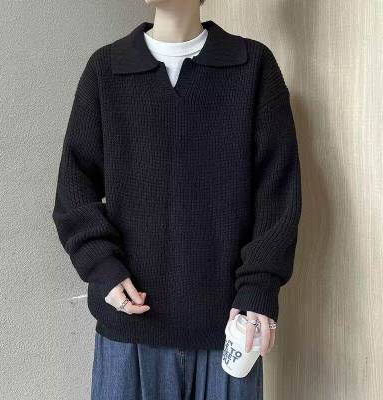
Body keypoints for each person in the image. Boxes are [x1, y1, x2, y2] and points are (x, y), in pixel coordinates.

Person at [52, 0, 302, 398]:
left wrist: (260, 286)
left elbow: (277, 191)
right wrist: (102, 266)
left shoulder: (252, 67)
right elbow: (74, 186)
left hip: (229, 331)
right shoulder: (106, 69)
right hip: (130, 331)